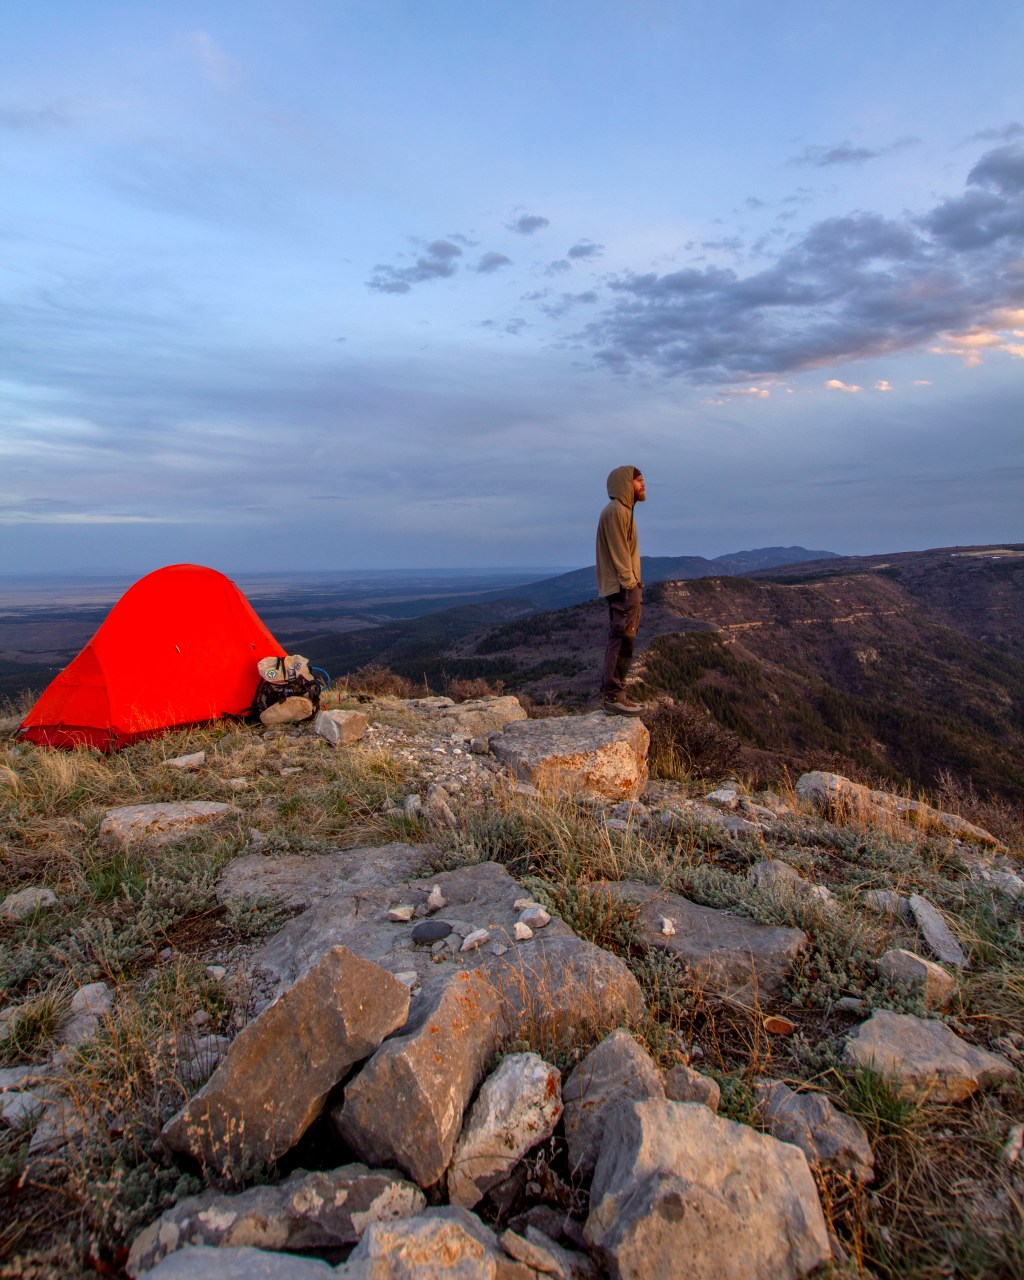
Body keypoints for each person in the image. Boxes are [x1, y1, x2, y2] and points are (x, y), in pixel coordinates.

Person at [596, 465, 646, 715]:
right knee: (622, 639)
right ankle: (614, 695)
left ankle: (616, 693)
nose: (643, 485)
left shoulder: (622, 511)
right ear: (626, 484)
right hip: (623, 587)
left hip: (625, 585)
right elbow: (619, 552)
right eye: (639, 480)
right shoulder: (617, 512)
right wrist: (630, 584)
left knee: (624, 639)